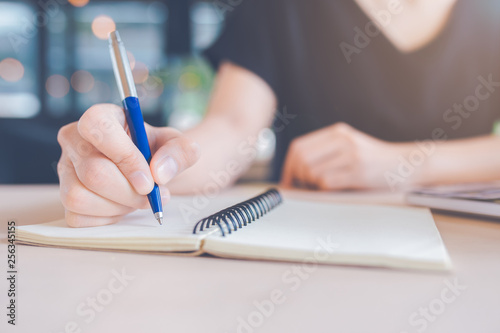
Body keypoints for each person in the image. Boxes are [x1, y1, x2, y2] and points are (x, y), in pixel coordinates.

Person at [57, 0, 500, 227]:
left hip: (468, 241)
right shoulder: (280, 7)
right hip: (305, 249)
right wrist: (156, 158)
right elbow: (232, 129)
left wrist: (404, 165)